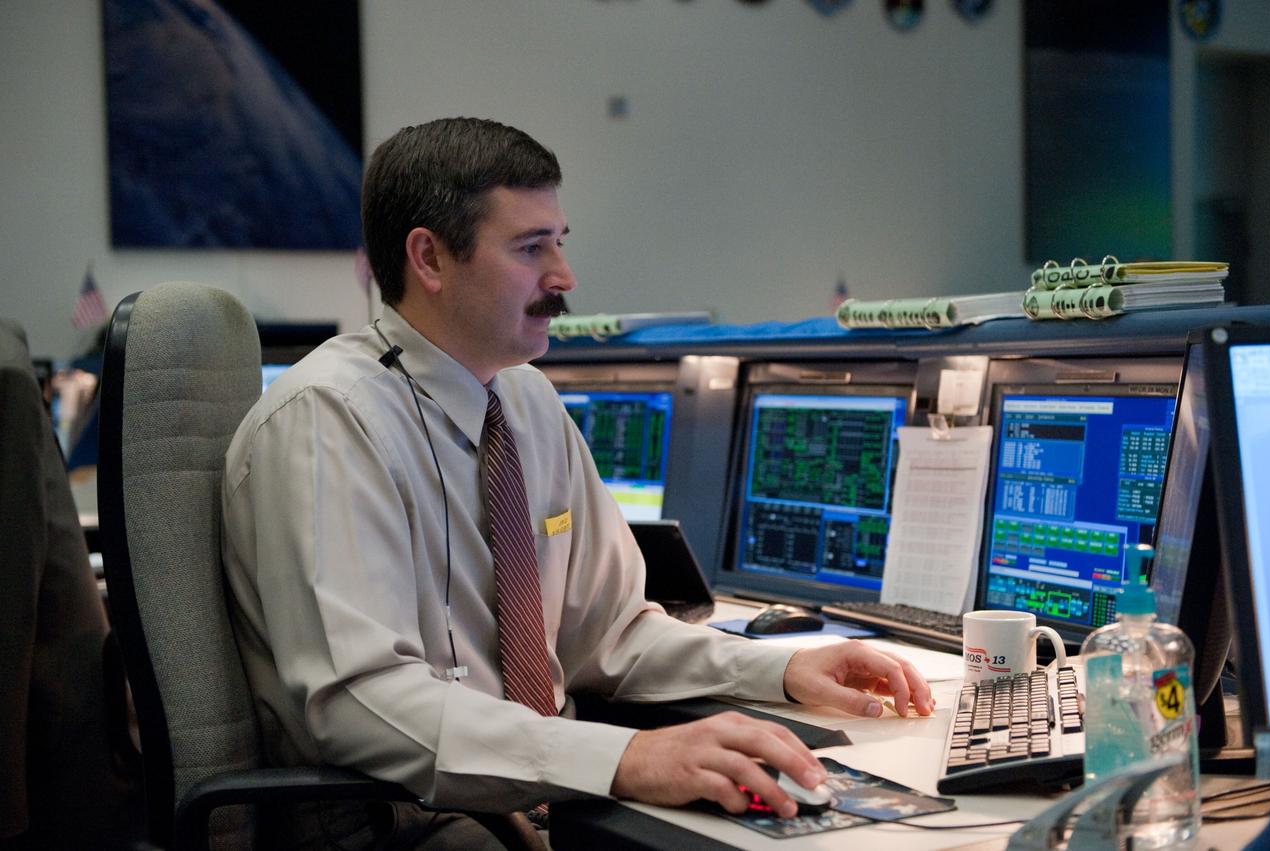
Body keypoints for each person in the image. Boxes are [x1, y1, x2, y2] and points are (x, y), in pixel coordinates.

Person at [221, 117, 934, 849]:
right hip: (394, 818)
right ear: (429, 257)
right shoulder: (327, 423)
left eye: (560, 241)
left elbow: (611, 635)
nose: (564, 277)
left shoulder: (527, 405)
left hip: (527, 796)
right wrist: (627, 757)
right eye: (532, 248)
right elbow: (361, 703)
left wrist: (783, 669)